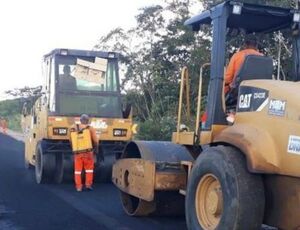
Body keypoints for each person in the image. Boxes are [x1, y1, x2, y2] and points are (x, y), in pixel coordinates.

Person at [70, 114, 98, 192]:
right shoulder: (90, 128)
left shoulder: (73, 128)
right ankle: (88, 185)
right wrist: (96, 149)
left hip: (77, 153)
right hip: (88, 153)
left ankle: (79, 187)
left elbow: (71, 140)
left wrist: (73, 148)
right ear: (88, 121)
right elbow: (96, 141)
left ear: (80, 120)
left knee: (77, 171)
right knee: (89, 170)